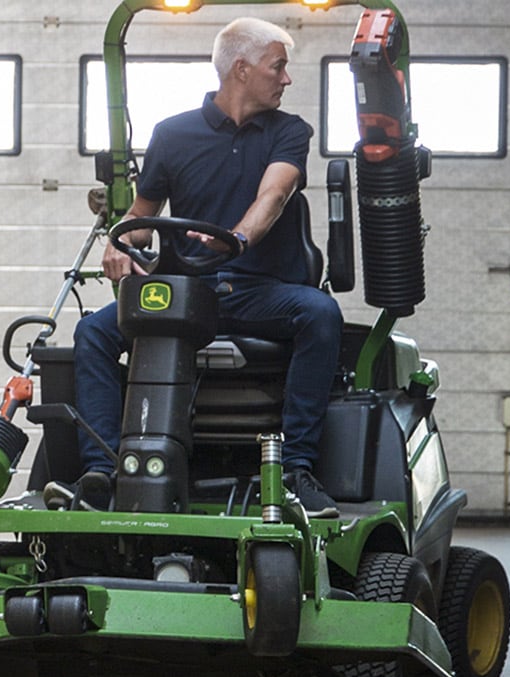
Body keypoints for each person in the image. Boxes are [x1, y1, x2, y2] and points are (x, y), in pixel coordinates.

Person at [73, 17, 342, 516]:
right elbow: (141, 212)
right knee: (92, 334)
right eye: (277, 67)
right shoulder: (173, 134)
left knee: (320, 315)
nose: (286, 79)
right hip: (187, 297)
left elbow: (275, 194)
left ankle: (295, 471)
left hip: (262, 292)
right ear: (241, 69)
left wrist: (237, 239)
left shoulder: (289, 131)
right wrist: (120, 245)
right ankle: (103, 471)